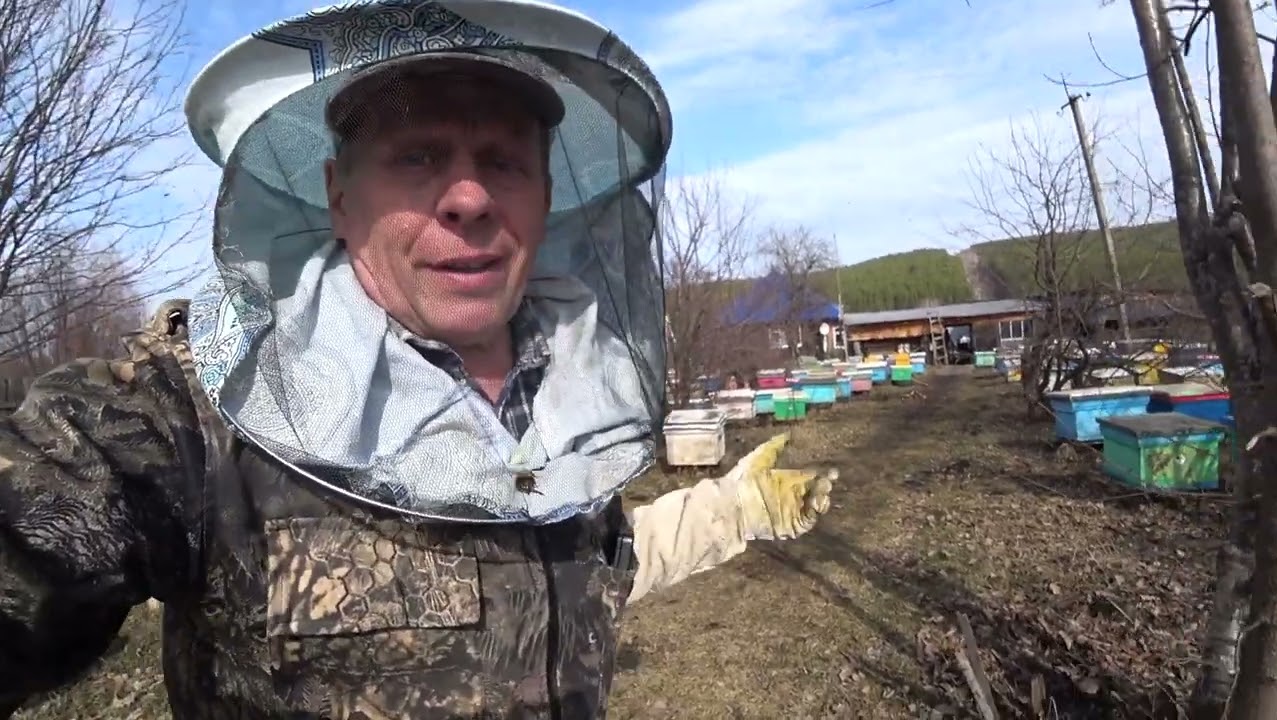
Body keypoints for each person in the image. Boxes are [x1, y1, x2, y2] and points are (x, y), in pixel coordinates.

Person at [0, 2, 835, 718]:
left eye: (502, 161)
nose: (469, 197)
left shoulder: (575, 389)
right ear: (339, 194)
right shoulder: (198, 405)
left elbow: (591, 568)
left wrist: (732, 511)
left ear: (545, 198)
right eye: (419, 155)